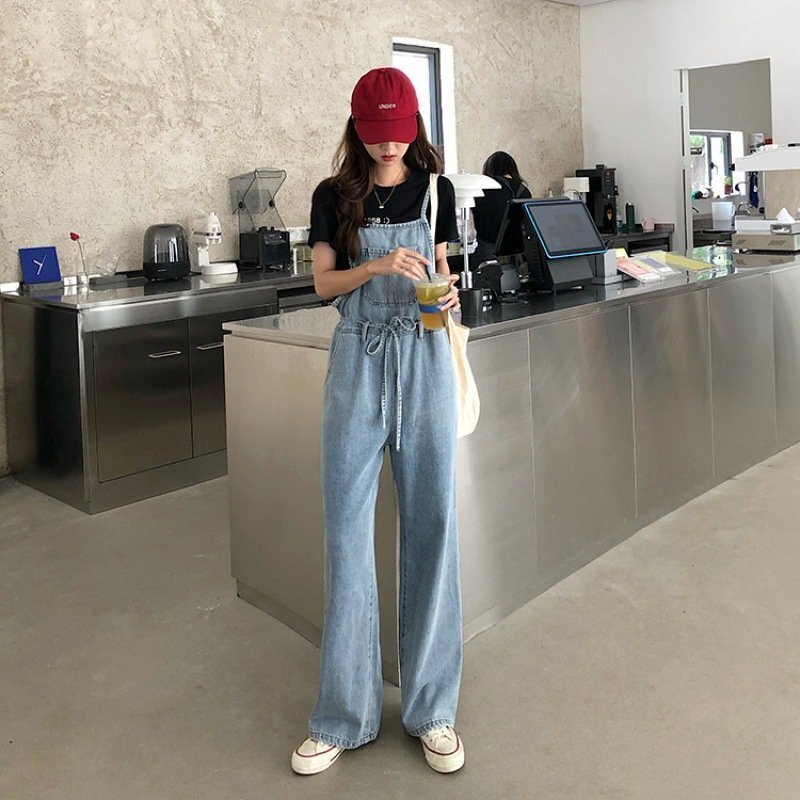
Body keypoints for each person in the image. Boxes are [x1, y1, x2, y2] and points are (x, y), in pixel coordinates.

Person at [291, 67, 465, 777]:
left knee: (433, 526)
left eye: (398, 134)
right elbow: (322, 283)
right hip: (358, 362)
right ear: (357, 129)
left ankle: (433, 709)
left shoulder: (437, 191)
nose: (389, 147)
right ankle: (344, 715)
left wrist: (449, 295)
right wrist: (375, 267)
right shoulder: (333, 196)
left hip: (425, 358)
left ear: (413, 128)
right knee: (345, 534)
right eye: (377, 135)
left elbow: (443, 273)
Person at [471, 150, 532, 267]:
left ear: (489, 169)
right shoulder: (525, 192)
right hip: (520, 256)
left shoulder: (484, 189)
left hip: (488, 254)